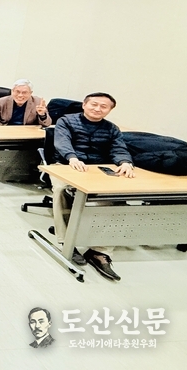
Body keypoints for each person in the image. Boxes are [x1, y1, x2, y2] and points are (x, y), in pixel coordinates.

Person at [52, 92, 134, 280]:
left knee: (117, 200)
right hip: (66, 165)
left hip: (97, 169)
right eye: (94, 104)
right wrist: (72, 157)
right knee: (61, 190)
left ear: (110, 110)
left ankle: (100, 250)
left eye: (103, 107)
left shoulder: (111, 128)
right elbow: (62, 142)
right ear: (84, 105)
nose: (97, 109)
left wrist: (125, 162)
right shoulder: (66, 121)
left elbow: (118, 148)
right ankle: (66, 242)